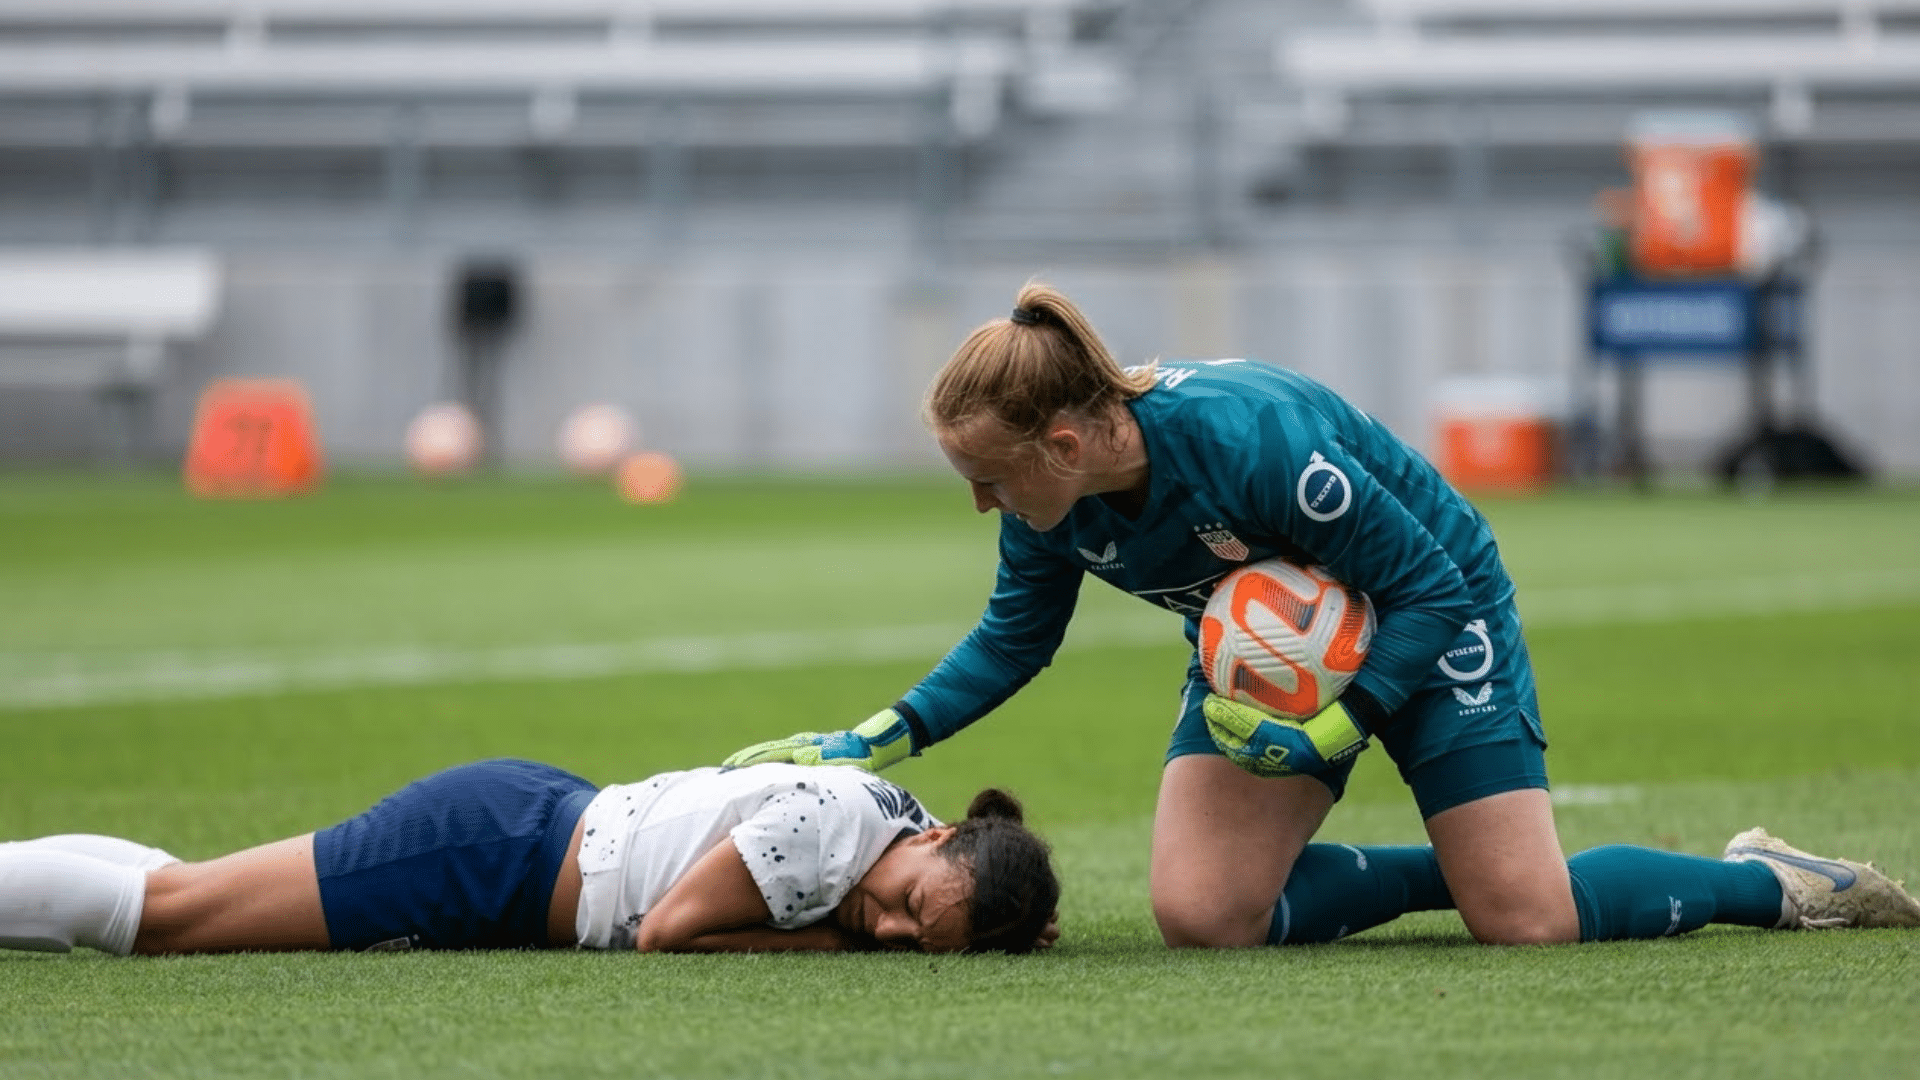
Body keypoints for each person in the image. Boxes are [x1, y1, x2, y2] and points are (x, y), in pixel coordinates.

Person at [726, 281, 1920, 948]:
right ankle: (1467, 867)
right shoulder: (1054, 507)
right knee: (1204, 916)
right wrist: (874, 740)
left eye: (989, 474)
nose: (980, 500)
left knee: (1532, 926)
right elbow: (1015, 638)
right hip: (1267, 658)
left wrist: (1341, 731)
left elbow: (1428, 586)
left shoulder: (1253, 442)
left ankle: (1774, 882)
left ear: (1069, 438)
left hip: (1433, 618)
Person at [0, 758, 1059, 957]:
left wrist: (1015, 925)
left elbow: (996, 884)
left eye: (921, 944)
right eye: (911, 909)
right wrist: (840, 946)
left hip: (524, 833)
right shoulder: (832, 835)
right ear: (936, 839)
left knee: (186, 888)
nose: (889, 930)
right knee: (172, 919)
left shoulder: (915, 833)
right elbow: (671, 934)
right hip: (491, 853)